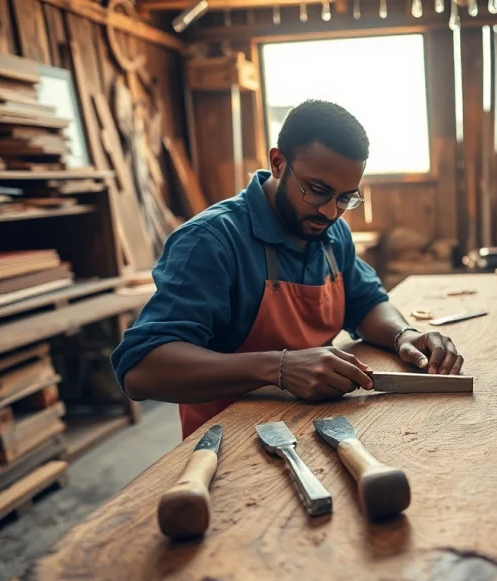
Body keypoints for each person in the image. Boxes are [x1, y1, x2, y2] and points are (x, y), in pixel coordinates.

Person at [111, 99, 464, 439]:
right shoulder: (211, 242)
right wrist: (278, 368)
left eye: (345, 197)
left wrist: (403, 335)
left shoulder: (330, 231)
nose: (330, 212)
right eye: (317, 190)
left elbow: (365, 300)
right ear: (278, 163)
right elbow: (141, 369)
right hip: (228, 440)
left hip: (319, 423)